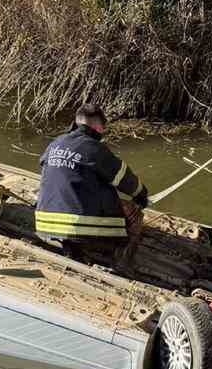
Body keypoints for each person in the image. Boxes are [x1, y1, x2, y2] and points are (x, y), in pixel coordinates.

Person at [35, 106, 148, 266]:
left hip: (44, 226)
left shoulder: (56, 143)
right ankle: (124, 254)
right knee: (133, 212)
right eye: (103, 127)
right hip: (83, 231)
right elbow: (127, 181)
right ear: (98, 127)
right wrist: (142, 196)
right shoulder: (95, 149)